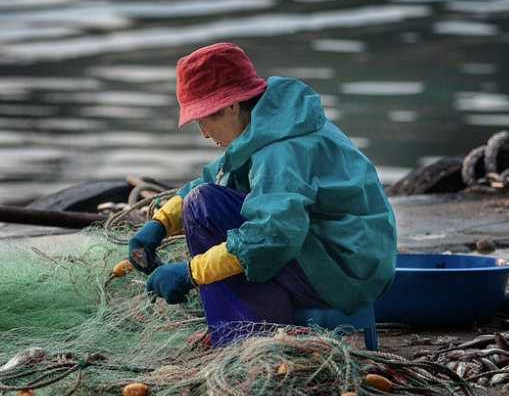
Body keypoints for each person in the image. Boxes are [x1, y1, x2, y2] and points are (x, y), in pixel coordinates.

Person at [128, 42, 396, 346]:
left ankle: (246, 340)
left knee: (203, 207)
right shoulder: (279, 123)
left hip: (343, 276)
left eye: (204, 119)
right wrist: (159, 225)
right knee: (206, 198)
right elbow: (219, 178)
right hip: (355, 261)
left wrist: (191, 273)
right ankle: (247, 324)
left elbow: (274, 236)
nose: (203, 133)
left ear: (232, 106)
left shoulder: (279, 150)